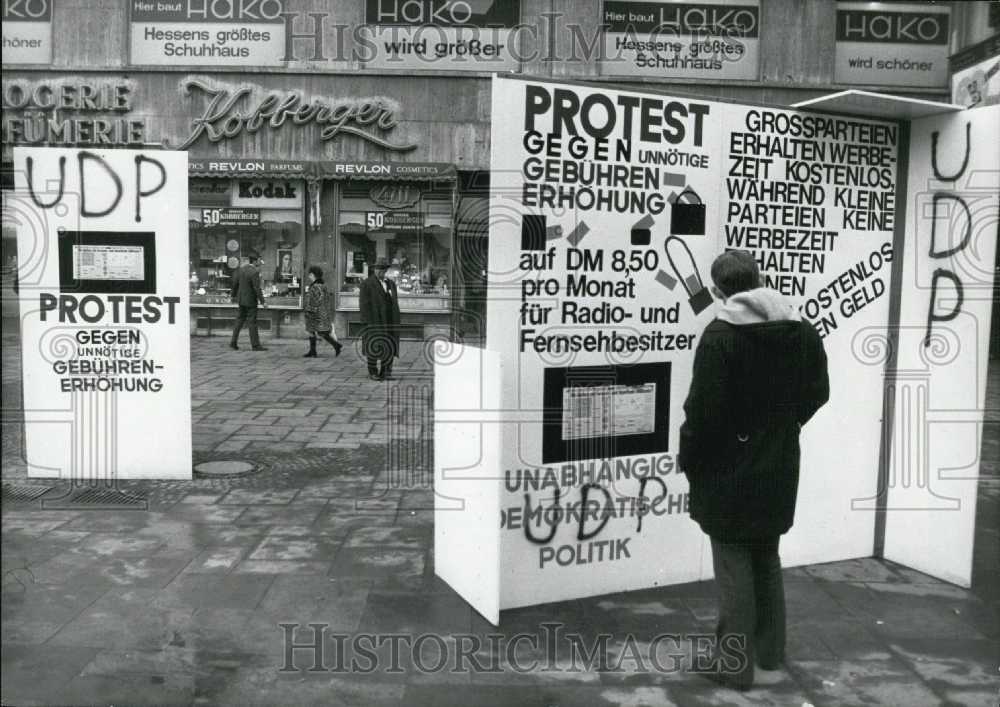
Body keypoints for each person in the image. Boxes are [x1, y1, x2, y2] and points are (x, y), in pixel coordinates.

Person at [679, 250, 829, 691]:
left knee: (732, 562)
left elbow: (702, 414)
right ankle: (769, 652)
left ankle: (733, 665)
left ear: (717, 290)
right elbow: (819, 391)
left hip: (729, 468)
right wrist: (784, 427)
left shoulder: (719, 336)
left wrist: (692, 461)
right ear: (760, 279)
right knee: (766, 554)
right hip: (780, 462)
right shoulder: (802, 330)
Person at [359, 257, 400, 381]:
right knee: (374, 346)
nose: (380, 271)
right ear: (374, 269)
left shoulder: (391, 283)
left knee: (389, 345)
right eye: (378, 268)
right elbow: (363, 305)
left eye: (382, 269)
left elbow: (394, 301)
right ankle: (373, 372)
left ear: (386, 270)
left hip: (389, 320)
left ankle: (386, 372)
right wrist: (367, 321)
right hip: (374, 320)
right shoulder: (367, 284)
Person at [229, 252, 267, 351]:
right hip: (250, 301)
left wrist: (233, 296)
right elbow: (256, 288)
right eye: (259, 259)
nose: (260, 261)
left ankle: (233, 342)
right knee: (252, 323)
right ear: (255, 261)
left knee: (239, 321)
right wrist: (263, 301)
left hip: (241, 300)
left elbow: (235, 284)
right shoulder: (254, 272)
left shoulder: (241, 270)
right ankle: (255, 345)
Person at [302, 265, 342, 358]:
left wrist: (310, 310)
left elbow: (315, 300)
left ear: (313, 275)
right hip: (322, 313)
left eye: (310, 275)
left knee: (321, 332)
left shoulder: (315, 286)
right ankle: (313, 351)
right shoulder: (323, 285)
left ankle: (336, 345)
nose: (309, 276)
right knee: (313, 331)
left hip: (315, 313)